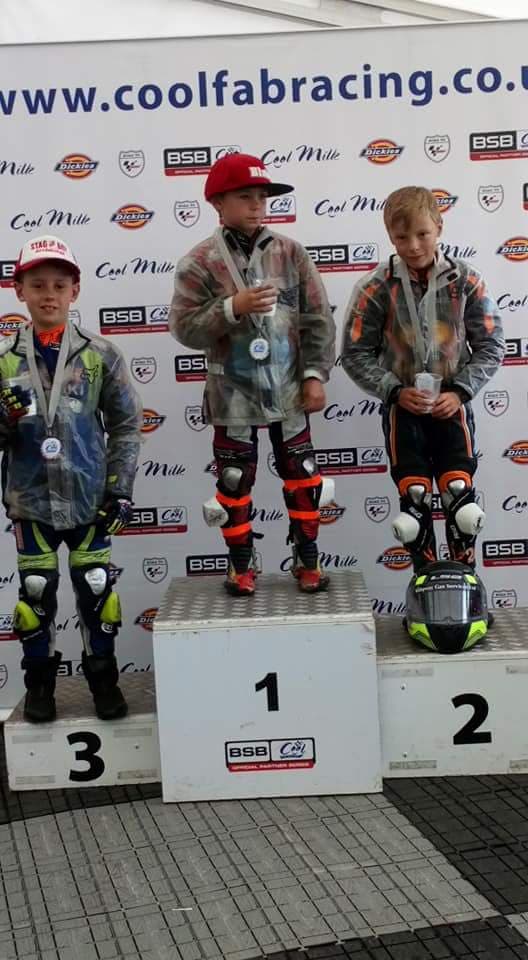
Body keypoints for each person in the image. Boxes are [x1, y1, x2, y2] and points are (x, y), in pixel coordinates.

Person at [169, 152, 335, 595]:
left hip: (289, 390)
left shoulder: (291, 253)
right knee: (234, 480)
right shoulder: (199, 261)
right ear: (217, 203)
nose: (257, 205)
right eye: (246, 196)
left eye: (262, 196)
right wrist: (231, 308)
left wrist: (314, 374)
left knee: (303, 475)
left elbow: (318, 319)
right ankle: (240, 564)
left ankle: (308, 558)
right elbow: (183, 328)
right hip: (233, 394)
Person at [0, 234, 142, 722]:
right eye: (38, 285)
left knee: (97, 590)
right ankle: (40, 688)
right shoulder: (4, 360)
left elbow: (126, 426)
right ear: (19, 290)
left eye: (59, 285)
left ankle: (104, 683)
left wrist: (120, 488)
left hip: (89, 499)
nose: (49, 295)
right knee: (36, 593)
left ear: (75, 291)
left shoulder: (101, 354)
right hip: (31, 502)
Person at [341, 186, 504, 572]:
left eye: (422, 234)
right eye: (401, 237)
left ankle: (465, 576)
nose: (413, 246)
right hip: (403, 408)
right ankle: (424, 577)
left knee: (458, 492)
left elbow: (492, 344)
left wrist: (460, 391)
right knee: (413, 495)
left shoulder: (466, 280)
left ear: (439, 227)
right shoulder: (375, 287)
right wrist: (394, 391)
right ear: (389, 235)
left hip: (452, 405)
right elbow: (354, 353)